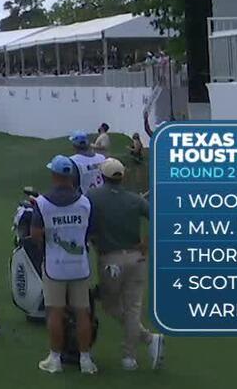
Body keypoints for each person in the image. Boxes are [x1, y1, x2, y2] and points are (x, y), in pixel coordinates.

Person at [86, 158, 165, 371]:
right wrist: (146, 243)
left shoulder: (93, 196)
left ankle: (147, 340)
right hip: (136, 258)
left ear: (102, 176)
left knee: (111, 306)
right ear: (122, 176)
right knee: (132, 308)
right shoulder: (134, 200)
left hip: (110, 260)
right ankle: (130, 357)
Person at [32, 156, 96, 374]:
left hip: (55, 267)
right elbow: (88, 232)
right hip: (79, 266)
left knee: (55, 314)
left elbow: (36, 235)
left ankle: (55, 359)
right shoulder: (85, 203)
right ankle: (86, 360)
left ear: (54, 175)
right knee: (82, 313)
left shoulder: (42, 203)